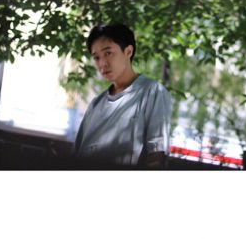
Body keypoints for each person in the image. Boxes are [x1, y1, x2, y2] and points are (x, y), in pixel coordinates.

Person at [72, 23, 172, 169]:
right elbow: (77, 154)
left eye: (108, 53)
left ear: (128, 51)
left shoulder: (152, 92)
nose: (102, 63)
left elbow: (157, 154)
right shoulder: (95, 104)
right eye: (96, 57)